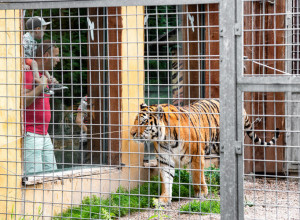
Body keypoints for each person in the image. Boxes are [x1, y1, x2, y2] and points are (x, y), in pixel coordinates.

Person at [23, 40, 60, 174]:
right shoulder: (28, 72)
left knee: (52, 174)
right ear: (46, 55)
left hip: (44, 134)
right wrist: (41, 86)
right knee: (34, 177)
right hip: (31, 134)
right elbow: (23, 101)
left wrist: (48, 84)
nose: (58, 59)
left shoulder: (43, 74)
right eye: (55, 55)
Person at [23, 16, 66, 95]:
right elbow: (20, 51)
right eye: (43, 30)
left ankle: (51, 82)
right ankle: (38, 82)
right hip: (26, 59)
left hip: (30, 60)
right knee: (35, 63)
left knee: (42, 66)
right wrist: (23, 63)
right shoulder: (26, 39)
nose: (44, 33)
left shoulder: (33, 41)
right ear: (37, 30)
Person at [75, 96, 91, 164]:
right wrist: (89, 133)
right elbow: (78, 120)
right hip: (85, 139)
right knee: (83, 166)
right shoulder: (85, 99)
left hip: (100, 140)